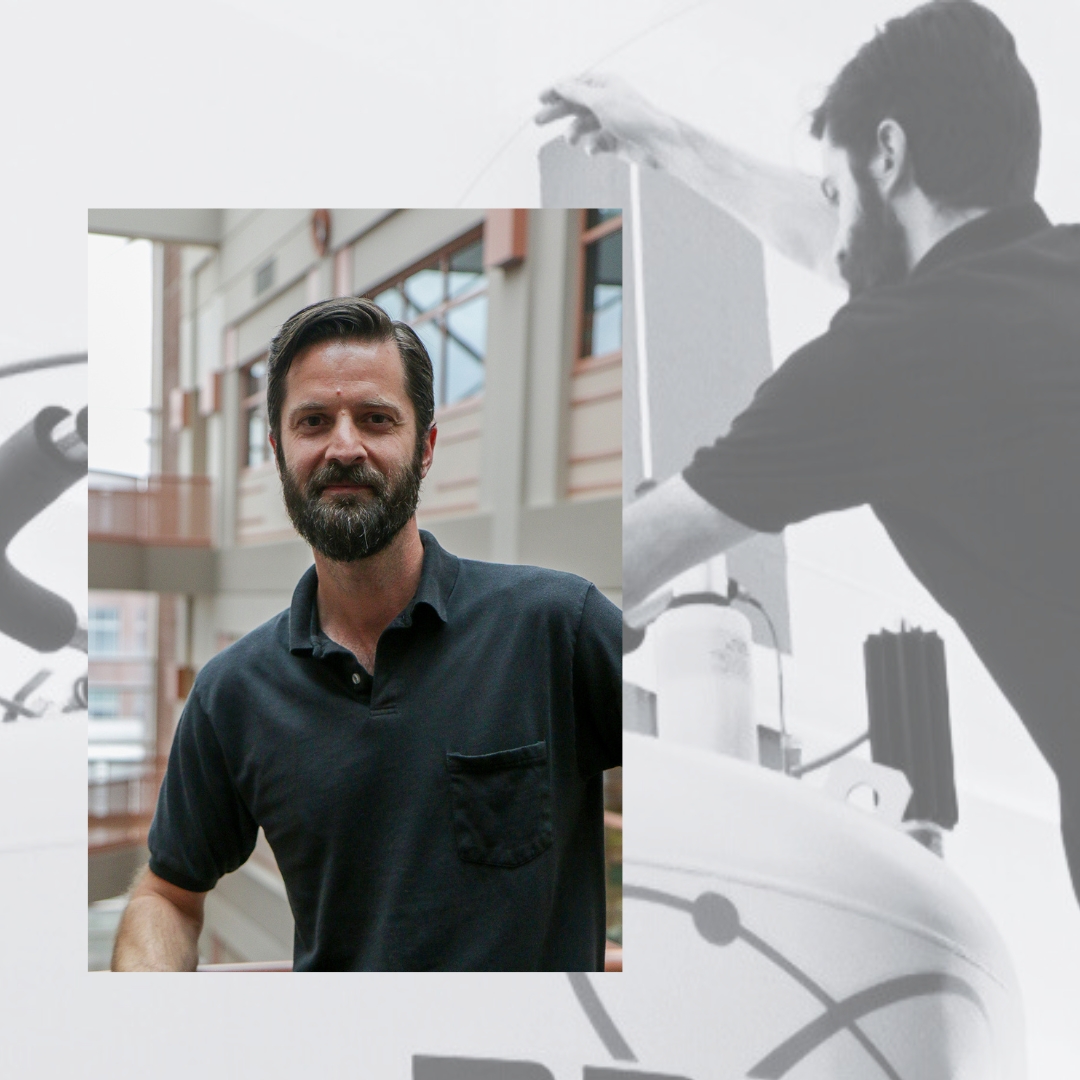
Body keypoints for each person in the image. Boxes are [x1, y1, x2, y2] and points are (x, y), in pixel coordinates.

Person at [539, 0, 1080, 907]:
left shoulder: (890, 358)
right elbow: (857, 251)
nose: (828, 222)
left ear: (890, 153)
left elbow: (631, 553)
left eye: (835, 188)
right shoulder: (1036, 286)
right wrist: (665, 139)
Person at [111, 296, 622, 971]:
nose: (344, 446)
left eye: (376, 420)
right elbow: (167, 894)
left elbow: (703, 796)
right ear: (278, 451)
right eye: (313, 422)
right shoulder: (232, 692)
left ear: (427, 446)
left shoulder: (560, 626)